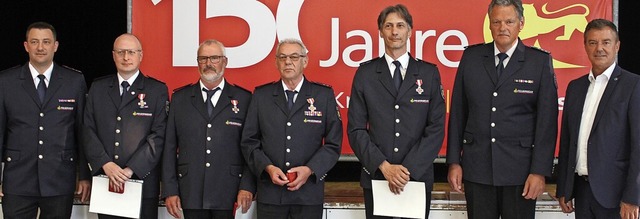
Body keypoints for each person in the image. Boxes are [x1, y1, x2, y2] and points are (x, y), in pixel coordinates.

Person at [446, 0, 559, 218]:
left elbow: (547, 123)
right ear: (489, 24)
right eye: (496, 21)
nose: (502, 27)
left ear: (521, 23)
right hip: (477, 169)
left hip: (521, 173)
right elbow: (458, 114)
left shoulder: (539, 62)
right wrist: (453, 162)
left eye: (509, 21)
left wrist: (539, 171)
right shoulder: (472, 58)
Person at [347, 4, 445, 219]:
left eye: (400, 25)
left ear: (410, 30)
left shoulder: (428, 73)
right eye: (388, 26)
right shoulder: (366, 73)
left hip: (417, 179)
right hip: (377, 176)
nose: (394, 31)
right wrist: (385, 167)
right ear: (380, 31)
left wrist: (406, 171)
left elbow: (436, 128)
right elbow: (356, 129)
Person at [240, 38, 342, 219]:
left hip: (308, 194)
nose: (288, 62)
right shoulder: (262, 96)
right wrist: (267, 167)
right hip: (271, 195)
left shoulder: (323, 95)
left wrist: (310, 169)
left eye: (294, 57)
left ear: (305, 61)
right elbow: (249, 142)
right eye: (283, 57)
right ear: (276, 62)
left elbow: (333, 144)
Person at [0, 21, 91, 219]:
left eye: (46, 42)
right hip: (18, 180)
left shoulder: (74, 80)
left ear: (55, 46)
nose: (40, 47)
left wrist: (84, 175)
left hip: (60, 178)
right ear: (26, 46)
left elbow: (82, 132)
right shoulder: (6, 81)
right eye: (34, 42)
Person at [556, 19, 640, 219]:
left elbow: (638, 146)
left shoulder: (633, 85)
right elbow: (568, 141)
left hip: (617, 197)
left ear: (617, 46)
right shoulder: (575, 87)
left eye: (606, 42)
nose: (599, 48)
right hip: (582, 193)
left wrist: (632, 197)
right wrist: (564, 189)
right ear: (585, 46)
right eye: (593, 42)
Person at [162, 39, 255, 219]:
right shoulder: (180, 98)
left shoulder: (244, 99)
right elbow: (169, 148)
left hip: (230, 190)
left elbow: (251, 147)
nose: (208, 64)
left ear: (225, 62)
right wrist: (170, 189)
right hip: (191, 190)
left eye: (214, 58)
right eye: (203, 59)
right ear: (197, 62)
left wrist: (247, 185)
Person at [83, 33, 168, 219]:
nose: (126, 57)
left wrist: (131, 170)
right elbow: (87, 130)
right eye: (121, 52)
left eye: (131, 52)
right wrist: (105, 164)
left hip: (142, 182)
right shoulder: (98, 88)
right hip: (106, 181)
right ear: (113, 55)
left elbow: (159, 135)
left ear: (141, 55)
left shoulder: (156, 90)